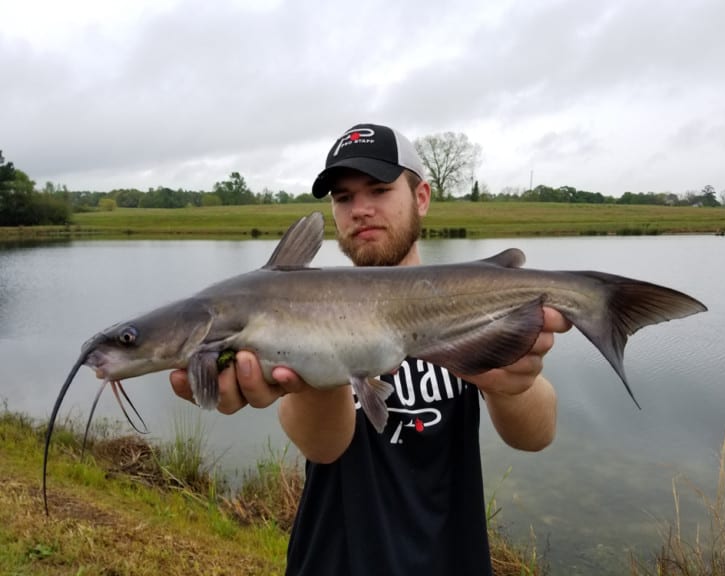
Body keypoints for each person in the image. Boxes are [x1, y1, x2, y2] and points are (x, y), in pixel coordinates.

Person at [170, 123, 571, 576]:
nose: (360, 209)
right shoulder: (296, 315)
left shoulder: (465, 309)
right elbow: (324, 448)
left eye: (379, 189)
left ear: (421, 197)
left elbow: (535, 436)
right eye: (343, 198)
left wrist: (509, 383)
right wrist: (316, 377)